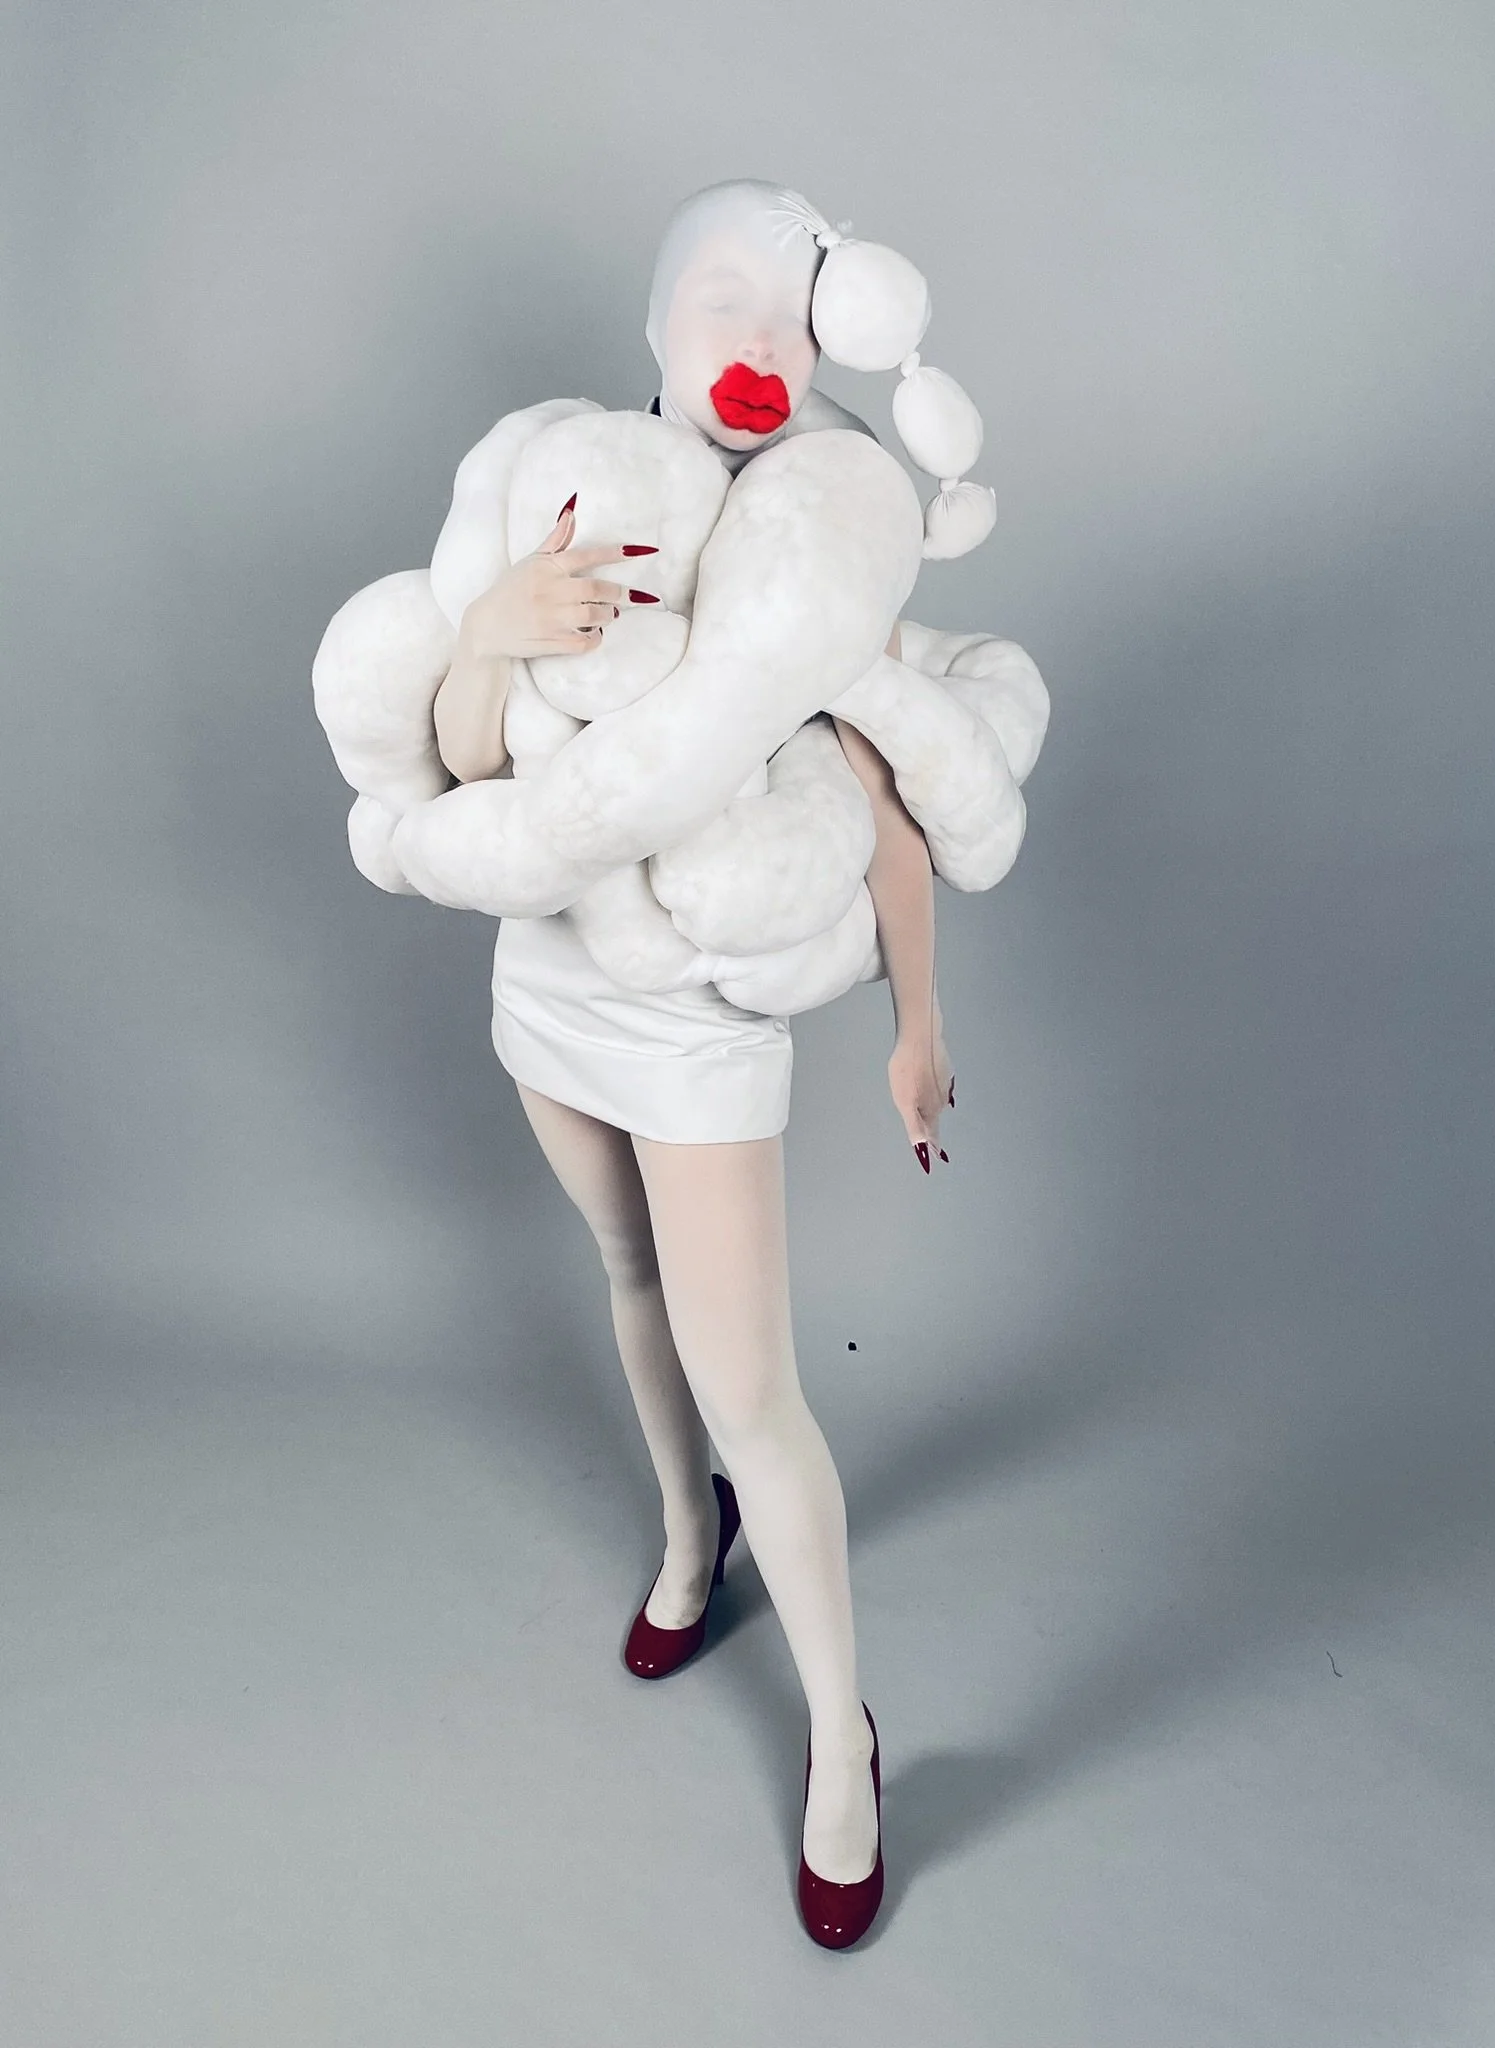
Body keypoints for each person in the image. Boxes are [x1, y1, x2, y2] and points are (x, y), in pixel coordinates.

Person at [430, 181, 964, 1949]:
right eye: (726, 300)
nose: (761, 346)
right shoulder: (576, 485)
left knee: (754, 1386)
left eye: (795, 322)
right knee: (626, 1274)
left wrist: (919, 1026)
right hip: (551, 974)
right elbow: (467, 768)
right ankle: (686, 1537)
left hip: (698, 1016)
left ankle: (842, 1741)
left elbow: (892, 820)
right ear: (658, 317)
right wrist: (494, 629)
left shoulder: (815, 532)